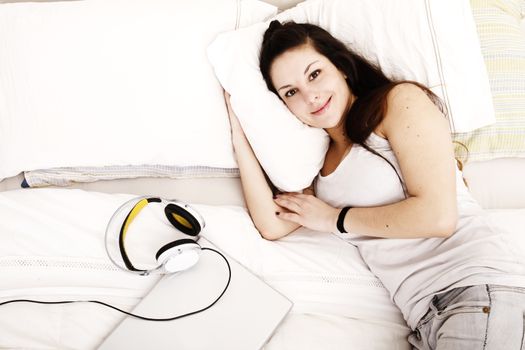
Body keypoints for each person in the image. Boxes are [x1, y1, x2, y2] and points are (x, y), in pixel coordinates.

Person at [224, 19, 525, 350]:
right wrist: (239, 132)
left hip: (476, 287)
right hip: (426, 317)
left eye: (315, 74)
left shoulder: (397, 102)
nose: (310, 96)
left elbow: (438, 217)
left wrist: (334, 219)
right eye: (291, 92)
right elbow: (272, 224)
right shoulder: (320, 170)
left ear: (341, 67)